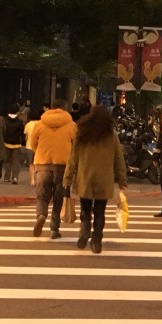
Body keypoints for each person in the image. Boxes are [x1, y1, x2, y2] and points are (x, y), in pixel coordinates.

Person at [63, 105, 127, 254]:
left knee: (85, 208)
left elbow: (73, 158)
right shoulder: (111, 135)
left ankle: (85, 230)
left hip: (85, 177)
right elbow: (119, 158)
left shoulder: (82, 133)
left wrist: (68, 178)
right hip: (104, 179)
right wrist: (121, 179)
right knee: (100, 211)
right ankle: (96, 240)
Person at [31, 99, 76, 239]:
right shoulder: (71, 125)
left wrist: (40, 153)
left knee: (42, 196)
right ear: (64, 108)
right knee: (58, 198)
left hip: (42, 163)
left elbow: (33, 143)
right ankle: (54, 229)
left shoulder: (39, 124)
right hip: (62, 165)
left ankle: (41, 215)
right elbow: (76, 146)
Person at [3, 103, 25, 184]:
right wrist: (23, 142)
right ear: (17, 111)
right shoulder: (19, 122)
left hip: (6, 143)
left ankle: (6, 177)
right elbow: (22, 134)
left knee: (7, 161)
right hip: (16, 144)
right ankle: (15, 177)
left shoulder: (4, 120)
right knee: (16, 161)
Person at [23, 110, 40, 186]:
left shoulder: (28, 125)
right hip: (39, 147)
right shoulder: (40, 124)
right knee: (39, 164)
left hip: (29, 146)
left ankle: (32, 180)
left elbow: (26, 137)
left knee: (31, 164)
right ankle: (38, 179)